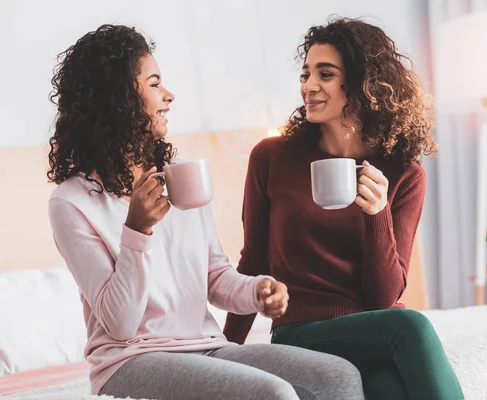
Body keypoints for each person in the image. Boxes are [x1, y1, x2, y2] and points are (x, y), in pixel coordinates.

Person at [47, 24, 364, 400]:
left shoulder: (181, 178)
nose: (169, 95)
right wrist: (137, 230)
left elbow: (214, 277)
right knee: (272, 393)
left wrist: (256, 290)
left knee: (338, 376)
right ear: (117, 99)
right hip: (130, 361)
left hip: (207, 346)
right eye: (154, 84)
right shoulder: (71, 203)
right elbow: (119, 325)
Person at [223, 17, 464, 399]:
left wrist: (377, 214)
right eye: (306, 74)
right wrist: (224, 354)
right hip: (299, 333)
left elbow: (382, 299)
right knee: (412, 326)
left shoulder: (404, 174)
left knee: (389, 389)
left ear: (362, 83)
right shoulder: (271, 156)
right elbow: (253, 261)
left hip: (374, 329)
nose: (308, 86)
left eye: (325, 74)